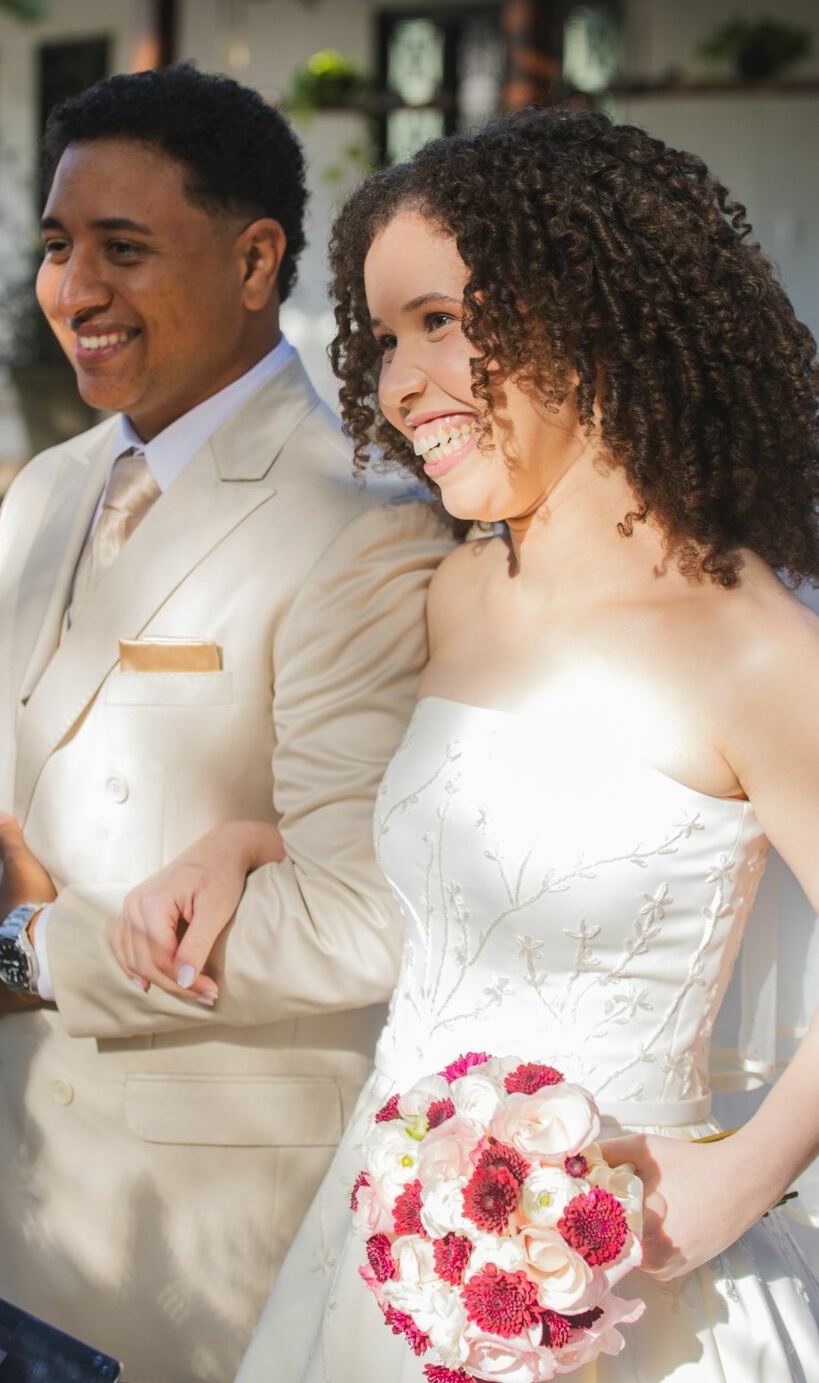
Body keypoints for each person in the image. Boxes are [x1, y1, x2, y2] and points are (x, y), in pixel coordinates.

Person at [114, 106, 819, 1380]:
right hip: (382, 1252)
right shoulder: (456, 596)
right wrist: (243, 843)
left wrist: (738, 1177)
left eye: (438, 322)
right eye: (383, 339)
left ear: (585, 306)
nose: (395, 384)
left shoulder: (757, 651)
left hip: (629, 1271)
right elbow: (464, 842)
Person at [0, 64, 452, 1383]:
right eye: (57, 248)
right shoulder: (42, 495)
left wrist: (45, 952)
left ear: (253, 259)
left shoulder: (358, 514)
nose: (74, 290)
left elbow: (370, 911)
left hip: (222, 1245)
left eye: (122, 249)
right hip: (14, 1199)